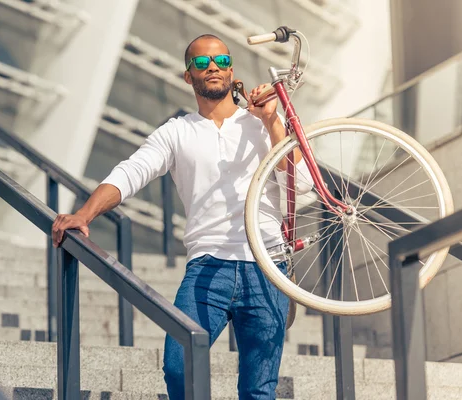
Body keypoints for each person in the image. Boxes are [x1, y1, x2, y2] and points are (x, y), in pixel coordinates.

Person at [52, 34, 313, 399]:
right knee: (179, 369)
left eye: (221, 61)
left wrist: (272, 123)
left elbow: (301, 187)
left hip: (267, 264)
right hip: (209, 267)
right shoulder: (176, 132)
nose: (213, 68)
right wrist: (84, 213)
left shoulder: (261, 123)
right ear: (188, 76)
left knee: (259, 389)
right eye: (202, 63)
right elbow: (131, 172)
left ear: (231, 69)